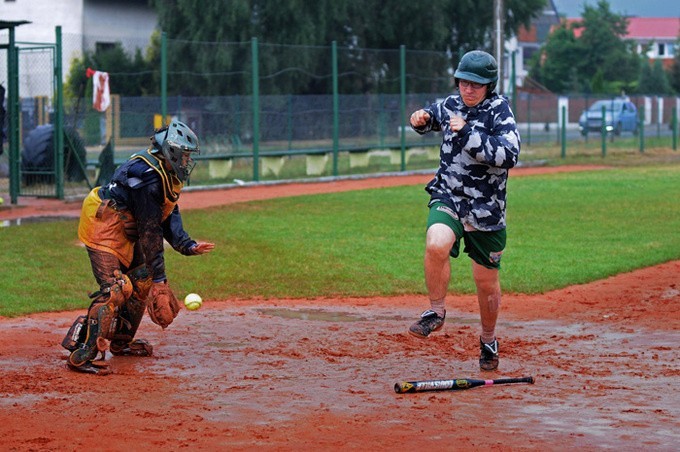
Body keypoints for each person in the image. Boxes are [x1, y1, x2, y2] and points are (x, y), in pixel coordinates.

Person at [61, 120, 215, 375]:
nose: (187, 161)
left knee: (142, 280)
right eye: (185, 155)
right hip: (104, 225)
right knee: (117, 290)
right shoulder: (147, 178)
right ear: (172, 153)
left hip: (124, 225)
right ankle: (82, 354)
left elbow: (167, 210)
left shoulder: (165, 173)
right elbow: (150, 230)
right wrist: (161, 280)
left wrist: (186, 244)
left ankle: (121, 343)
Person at [407, 50, 520, 371]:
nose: (468, 90)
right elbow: (430, 117)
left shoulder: (500, 111)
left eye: (476, 85)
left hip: (486, 208)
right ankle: (436, 311)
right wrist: (421, 118)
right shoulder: (450, 104)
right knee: (436, 242)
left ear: (489, 85)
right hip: (450, 195)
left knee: (485, 283)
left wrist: (468, 131)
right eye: (463, 83)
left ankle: (488, 339)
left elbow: (509, 154)